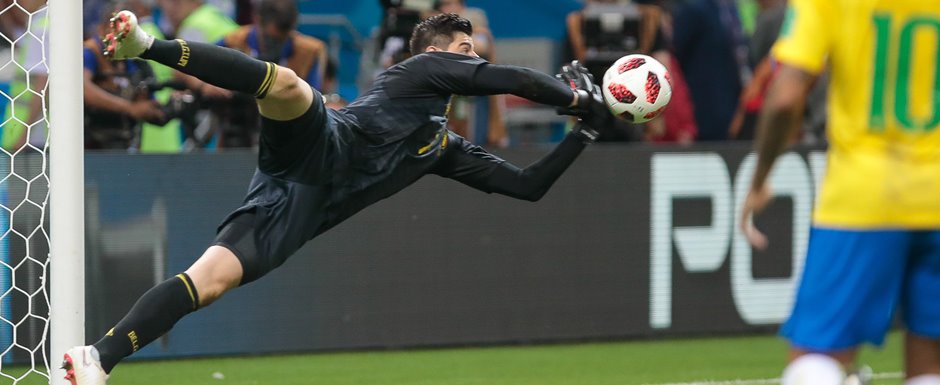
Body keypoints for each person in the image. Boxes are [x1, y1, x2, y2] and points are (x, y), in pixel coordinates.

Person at [61, 11, 614, 384]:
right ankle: (146, 45)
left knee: (210, 281)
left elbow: (527, 186)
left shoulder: (442, 146)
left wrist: (585, 132)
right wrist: (573, 96)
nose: (474, 59)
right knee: (288, 86)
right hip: (322, 142)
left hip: (299, 209)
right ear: (437, 57)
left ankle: (96, 361)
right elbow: (510, 78)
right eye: (465, 51)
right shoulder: (418, 70)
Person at [739, 1, 940, 385]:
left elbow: (785, 96)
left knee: (814, 361)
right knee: (931, 367)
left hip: (863, 196)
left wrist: (760, 177)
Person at [216, 0, 328, 148]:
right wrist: (207, 86)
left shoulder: (309, 51)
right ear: (256, 20)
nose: (276, 45)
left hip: (287, 129)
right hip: (236, 122)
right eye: (271, 39)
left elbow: (313, 99)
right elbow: (191, 65)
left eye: (283, 39)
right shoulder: (233, 42)